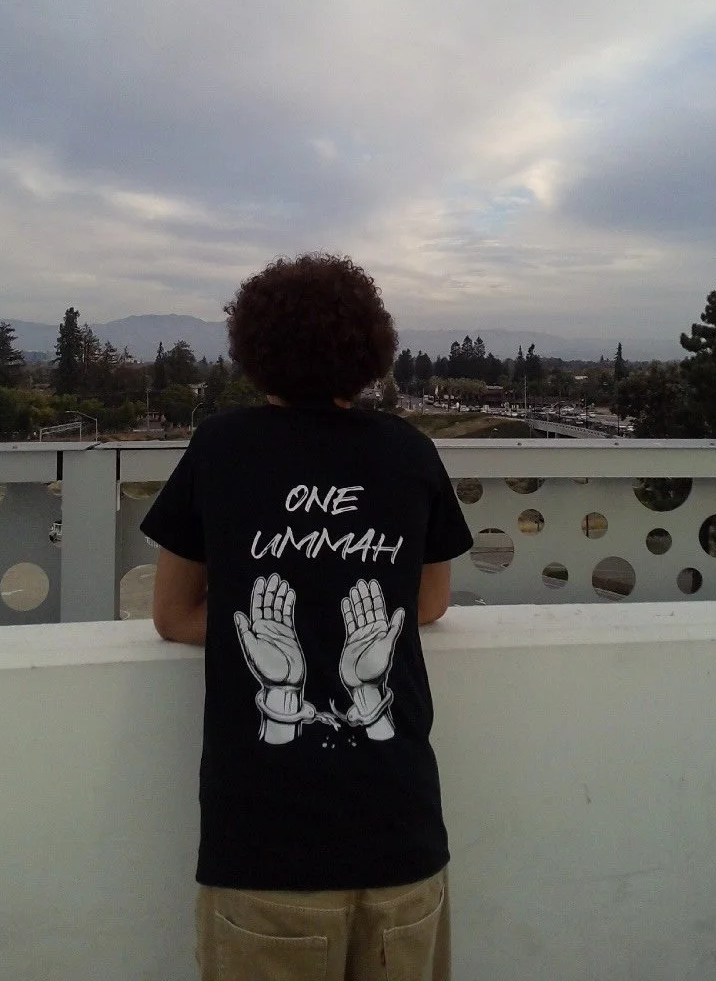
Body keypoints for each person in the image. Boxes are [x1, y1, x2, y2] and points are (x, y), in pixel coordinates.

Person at [141, 253, 473, 981]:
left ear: (253, 349)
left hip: (264, 845)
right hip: (402, 833)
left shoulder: (221, 449)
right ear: (370, 349)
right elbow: (428, 602)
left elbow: (172, 614)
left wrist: (290, 657)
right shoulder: (409, 452)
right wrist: (340, 640)